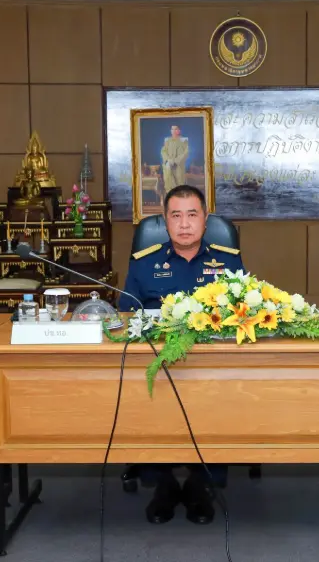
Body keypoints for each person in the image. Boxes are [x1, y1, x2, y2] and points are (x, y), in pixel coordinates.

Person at [122, 184, 244, 525]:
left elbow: (243, 312)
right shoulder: (144, 263)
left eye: (192, 215)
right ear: (165, 222)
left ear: (205, 220)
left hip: (213, 367)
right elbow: (125, 316)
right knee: (144, 400)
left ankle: (200, 484)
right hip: (158, 366)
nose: (185, 224)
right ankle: (162, 483)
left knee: (224, 400)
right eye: (176, 216)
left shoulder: (228, 260)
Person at [161, 124, 189, 193]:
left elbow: (185, 153)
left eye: (176, 129)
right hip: (168, 166)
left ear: (179, 131)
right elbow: (163, 151)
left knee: (179, 185)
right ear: (170, 131)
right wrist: (168, 160)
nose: (173, 131)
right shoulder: (167, 140)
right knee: (169, 185)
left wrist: (175, 161)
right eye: (172, 129)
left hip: (178, 166)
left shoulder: (184, 140)